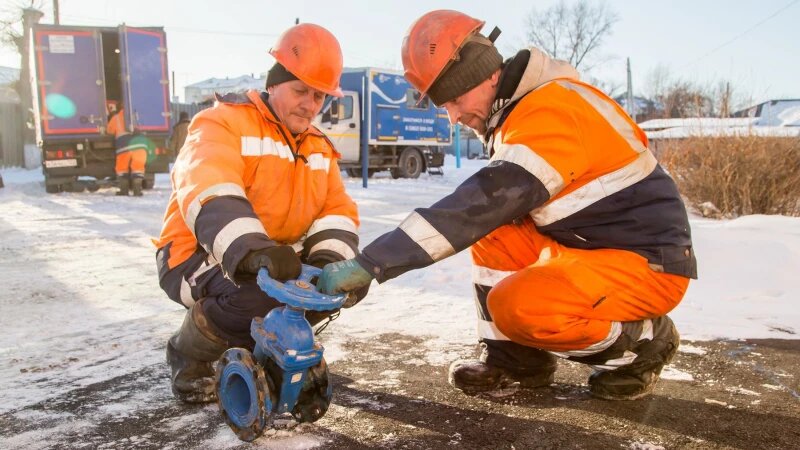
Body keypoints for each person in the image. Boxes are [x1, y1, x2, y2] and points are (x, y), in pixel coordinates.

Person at [318, 10, 697, 401]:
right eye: (443, 105)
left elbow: (475, 206)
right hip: (590, 248)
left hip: (648, 264)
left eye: (455, 99)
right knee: (497, 230)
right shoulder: (521, 113)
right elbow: (489, 214)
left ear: (489, 76)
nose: (453, 117)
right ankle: (516, 360)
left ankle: (644, 345)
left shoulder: (550, 112)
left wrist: (372, 263)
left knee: (517, 306)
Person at [154, 23, 361, 403]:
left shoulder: (318, 146)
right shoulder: (221, 122)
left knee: (317, 291)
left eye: (319, 97)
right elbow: (208, 185)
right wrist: (251, 249)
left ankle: (268, 357)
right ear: (274, 83)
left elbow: (336, 211)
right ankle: (189, 355)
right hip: (196, 256)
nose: (310, 105)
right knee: (259, 295)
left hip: (268, 258)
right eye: (301, 91)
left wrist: (331, 262)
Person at [106, 101, 147, 196]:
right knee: (138, 168)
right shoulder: (137, 116)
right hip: (140, 145)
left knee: (122, 169)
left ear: (120, 107)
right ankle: (137, 191)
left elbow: (109, 131)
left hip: (125, 146)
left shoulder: (116, 118)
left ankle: (124, 190)